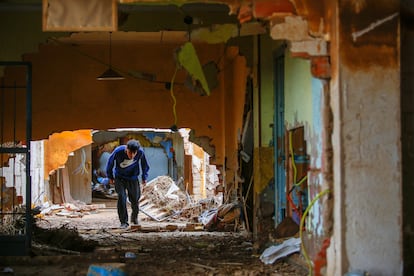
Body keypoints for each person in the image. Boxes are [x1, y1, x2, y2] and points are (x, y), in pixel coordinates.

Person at [106, 139, 149, 229]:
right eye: (130, 153)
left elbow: (145, 165)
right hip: (119, 177)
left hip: (133, 178)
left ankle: (134, 218)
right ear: (126, 149)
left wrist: (144, 177)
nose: (132, 156)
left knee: (135, 199)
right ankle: (123, 222)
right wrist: (110, 177)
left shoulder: (140, 152)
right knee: (122, 197)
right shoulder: (118, 151)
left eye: (134, 153)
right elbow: (110, 163)